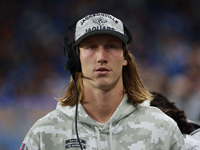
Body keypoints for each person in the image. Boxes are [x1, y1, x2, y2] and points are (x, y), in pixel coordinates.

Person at [20, 12, 185, 150]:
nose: (101, 57)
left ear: (125, 58)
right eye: (91, 47)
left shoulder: (162, 128)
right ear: (76, 59)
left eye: (111, 47)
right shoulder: (44, 132)